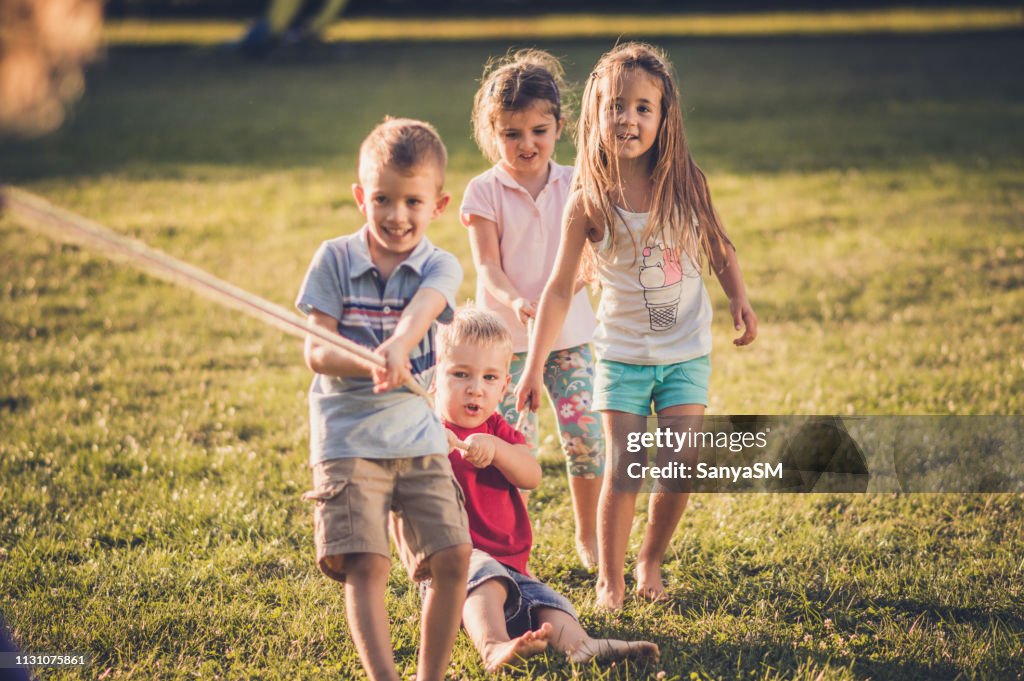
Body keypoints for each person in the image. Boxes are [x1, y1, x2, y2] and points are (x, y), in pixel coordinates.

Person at [516, 42, 758, 611]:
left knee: (680, 461)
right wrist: (531, 364)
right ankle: (612, 580)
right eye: (616, 106)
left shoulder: (685, 181)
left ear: (664, 116)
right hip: (622, 357)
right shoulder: (590, 198)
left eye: (643, 108)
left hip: (686, 353)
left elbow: (719, 249)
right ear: (596, 115)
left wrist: (739, 298)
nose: (628, 118)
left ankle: (650, 559)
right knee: (625, 465)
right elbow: (558, 285)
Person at [296, 117, 471, 681]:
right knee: (366, 563)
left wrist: (398, 345)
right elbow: (317, 353)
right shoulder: (334, 259)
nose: (398, 215)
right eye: (382, 199)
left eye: (413, 202)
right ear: (359, 197)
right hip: (348, 441)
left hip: (419, 439)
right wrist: (369, 360)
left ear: (438, 204)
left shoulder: (443, 264)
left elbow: (423, 312)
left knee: (452, 557)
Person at [431, 307, 660, 672]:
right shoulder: (428, 433)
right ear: (433, 378)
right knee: (483, 575)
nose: (476, 388)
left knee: (547, 602)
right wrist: (428, 451)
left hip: (514, 565)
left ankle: (580, 644)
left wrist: (498, 452)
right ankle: (492, 646)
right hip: (455, 567)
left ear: (505, 386)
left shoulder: (499, 432)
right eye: (460, 374)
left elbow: (531, 475)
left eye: (490, 378)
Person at [462, 49, 604, 569]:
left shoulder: (577, 183)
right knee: (511, 447)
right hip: (504, 347)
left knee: (586, 435)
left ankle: (587, 534)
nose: (527, 145)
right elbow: (487, 268)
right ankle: (508, 541)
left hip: (570, 338)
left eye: (539, 131)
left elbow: (595, 251)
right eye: (512, 134)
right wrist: (517, 299)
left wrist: (586, 274)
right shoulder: (483, 192)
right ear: (492, 134)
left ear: (559, 126)